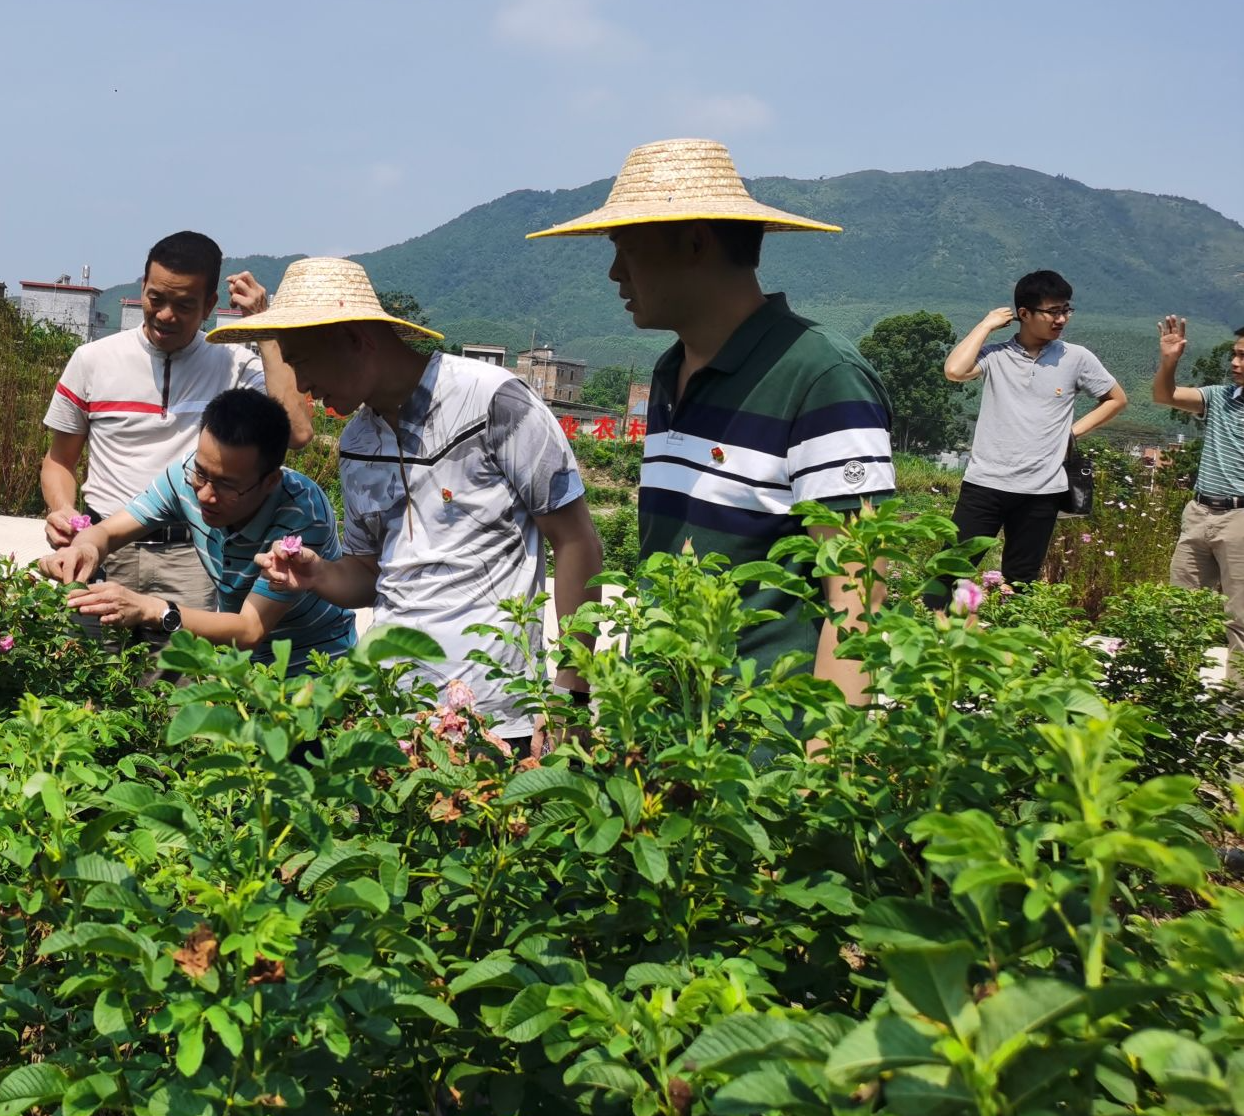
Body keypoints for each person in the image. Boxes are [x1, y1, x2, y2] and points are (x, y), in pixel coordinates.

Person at [527, 137, 894, 699]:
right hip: (661, 734)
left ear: (695, 242)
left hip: (761, 749)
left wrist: (824, 771)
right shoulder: (671, 371)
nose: (613, 273)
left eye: (625, 248)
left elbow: (859, 596)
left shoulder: (820, 377)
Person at [218, 258, 603, 749]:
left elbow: (577, 543)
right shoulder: (357, 440)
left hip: (498, 718)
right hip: (395, 716)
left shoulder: (493, 402)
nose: (300, 384)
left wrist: (570, 688)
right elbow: (371, 573)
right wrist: (317, 575)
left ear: (357, 339)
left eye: (301, 361)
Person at [40, 232, 311, 620]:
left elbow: (297, 433)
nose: (166, 314)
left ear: (209, 305)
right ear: (143, 286)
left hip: (194, 559)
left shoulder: (233, 365)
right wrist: (64, 510)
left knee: (182, 677)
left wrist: (264, 329)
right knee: (87, 673)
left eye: (184, 304)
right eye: (156, 298)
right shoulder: (92, 360)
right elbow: (58, 461)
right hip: (101, 547)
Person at [38, 388, 355, 672]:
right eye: (202, 473)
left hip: (315, 669)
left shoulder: (301, 515)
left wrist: (151, 608)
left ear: (270, 481)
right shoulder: (186, 477)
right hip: (242, 669)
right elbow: (107, 532)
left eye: (228, 485)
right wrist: (85, 549)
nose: (205, 494)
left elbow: (249, 630)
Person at [942, 273, 1125, 586]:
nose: (1062, 319)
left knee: (1021, 582)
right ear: (1024, 314)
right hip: (985, 485)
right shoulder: (995, 355)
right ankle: (935, 632)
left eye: (1066, 310)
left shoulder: (1076, 358)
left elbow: (1116, 399)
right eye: (1053, 312)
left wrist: (1071, 433)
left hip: (1042, 491)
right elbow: (955, 370)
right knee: (947, 572)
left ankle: (1009, 635)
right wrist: (985, 325)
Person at [1154, 315, 1244, 654]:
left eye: (1243, 357)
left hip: (1240, 518)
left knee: (1240, 619)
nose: (1235, 362)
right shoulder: (1221, 397)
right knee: (1180, 610)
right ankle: (1178, 695)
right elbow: (1165, 396)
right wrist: (1169, 362)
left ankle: (1236, 704)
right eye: (1234, 354)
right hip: (1199, 512)